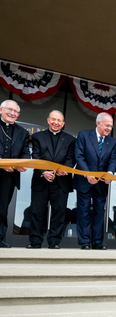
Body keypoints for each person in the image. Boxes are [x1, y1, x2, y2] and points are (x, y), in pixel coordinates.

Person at [27, 110, 75, 249]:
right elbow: (35, 156)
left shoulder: (70, 139)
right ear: (48, 120)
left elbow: (71, 158)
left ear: (63, 123)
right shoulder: (37, 137)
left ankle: (54, 242)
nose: (56, 122)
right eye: (53, 119)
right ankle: (35, 241)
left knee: (59, 213)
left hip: (61, 182)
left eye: (59, 120)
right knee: (37, 212)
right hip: (41, 181)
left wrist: (65, 169)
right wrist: (44, 172)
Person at [73, 112, 116, 250]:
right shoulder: (84, 135)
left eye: (111, 126)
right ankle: (85, 242)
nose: (109, 128)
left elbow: (113, 160)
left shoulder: (112, 142)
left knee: (99, 212)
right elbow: (79, 156)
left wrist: (110, 173)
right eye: (107, 125)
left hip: (102, 184)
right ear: (98, 123)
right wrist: (87, 174)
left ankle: (97, 242)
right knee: (83, 211)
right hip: (84, 181)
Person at [0, 100, 29, 248]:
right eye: (9, 110)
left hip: (8, 178)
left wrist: (22, 163)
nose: (12, 113)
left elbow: (25, 153)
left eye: (16, 112)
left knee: (2, 208)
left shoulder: (23, 132)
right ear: (1, 109)